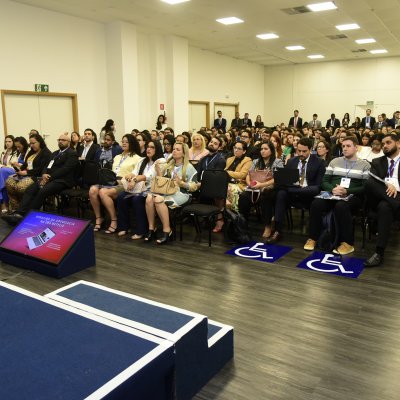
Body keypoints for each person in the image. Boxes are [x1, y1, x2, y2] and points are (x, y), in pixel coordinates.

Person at [304, 136, 370, 254]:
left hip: (353, 195)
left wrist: (347, 191)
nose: (344, 148)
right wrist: (333, 189)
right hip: (333, 193)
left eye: (348, 146)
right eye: (343, 146)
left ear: (356, 148)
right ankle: (313, 238)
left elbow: (365, 187)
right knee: (316, 203)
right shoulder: (334, 162)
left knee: (341, 206)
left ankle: (347, 243)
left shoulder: (365, 165)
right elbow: (325, 181)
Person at [2, 133, 79, 225]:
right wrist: (44, 174)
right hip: (47, 178)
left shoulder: (72, 153)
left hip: (62, 180)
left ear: (69, 142)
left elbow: (66, 169)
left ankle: (28, 216)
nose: (61, 142)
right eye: (59, 140)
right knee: (31, 189)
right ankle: (19, 213)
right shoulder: (55, 153)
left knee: (42, 191)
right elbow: (46, 166)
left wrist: (49, 177)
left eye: (63, 140)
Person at [268, 137, 326, 244]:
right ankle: (277, 230)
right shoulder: (291, 161)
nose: (301, 153)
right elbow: (284, 182)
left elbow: (318, 186)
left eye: (304, 151)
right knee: (280, 193)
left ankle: (313, 237)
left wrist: (297, 190)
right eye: (299, 151)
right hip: (293, 192)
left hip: (309, 195)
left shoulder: (319, 162)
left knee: (290, 191)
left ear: (310, 150)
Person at [146, 142, 198, 244]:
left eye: (178, 149)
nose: (174, 151)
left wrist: (181, 183)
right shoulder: (169, 166)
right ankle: (152, 229)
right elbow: (162, 182)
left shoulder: (189, 167)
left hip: (183, 193)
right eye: (174, 149)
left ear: (183, 153)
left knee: (158, 200)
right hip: (168, 191)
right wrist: (159, 171)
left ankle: (167, 231)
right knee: (148, 198)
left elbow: (194, 186)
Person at [90, 134, 141, 234]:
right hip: (111, 181)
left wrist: (123, 180)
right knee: (92, 190)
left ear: (132, 143)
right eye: (123, 141)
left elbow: (137, 175)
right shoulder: (117, 156)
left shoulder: (137, 158)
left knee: (103, 192)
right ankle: (99, 218)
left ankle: (114, 220)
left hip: (123, 184)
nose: (124, 143)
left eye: (126, 142)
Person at [364, 134, 400, 266]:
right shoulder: (377, 161)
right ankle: (396, 203)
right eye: (383, 143)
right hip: (384, 194)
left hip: (395, 196)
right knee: (369, 183)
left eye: (388, 142)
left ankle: (379, 252)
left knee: (384, 207)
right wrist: (386, 184)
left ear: (398, 143)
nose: (384, 146)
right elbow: (373, 183)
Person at [116, 140, 164, 239]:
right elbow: (134, 172)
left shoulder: (161, 161)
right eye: (147, 147)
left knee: (137, 200)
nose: (148, 149)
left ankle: (141, 231)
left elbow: (148, 176)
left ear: (157, 149)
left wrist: (135, 180)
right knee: (121, 197)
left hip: (151, 190)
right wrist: (129, 177)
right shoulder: (142, 160)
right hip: (138, 189)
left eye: (152, 147)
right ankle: (124, 227)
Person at [238, 141, 284, 240]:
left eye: (265, 149)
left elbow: (277, 179)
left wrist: (262, 185)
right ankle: (243, 223)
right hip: (254, 188)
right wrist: (250, 183)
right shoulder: (256, 161)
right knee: (243, 197)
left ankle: (268, 226)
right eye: (261, 149)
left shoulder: (278, 162)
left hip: (269, 189)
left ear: (271, 151)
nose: (262, 151)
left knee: (265, 197)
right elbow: (248, 175)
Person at [5, 134, 52, 212]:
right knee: (8, 183)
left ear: (40, 142)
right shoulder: (32, 151)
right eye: (30, 143)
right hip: (26, 174)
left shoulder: (46, 153)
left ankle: (23, 209)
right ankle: (15, 209)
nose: (31, 145)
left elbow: (41, 169)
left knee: (20, 187)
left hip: (38, 177)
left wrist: (26, 172)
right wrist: (19, 170)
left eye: (34, 143)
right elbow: (25, 164)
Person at [224, 141, 252, 212]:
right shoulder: (229, 159)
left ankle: (232, 212)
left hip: (239, 184)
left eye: (239, 149)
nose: (236, 150)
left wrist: (227, 172)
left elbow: (242, 175)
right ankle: (223, 209)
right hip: (227, 181)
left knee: (227, 188)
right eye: (235, 148)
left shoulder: (248, 160)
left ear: (244, 151)